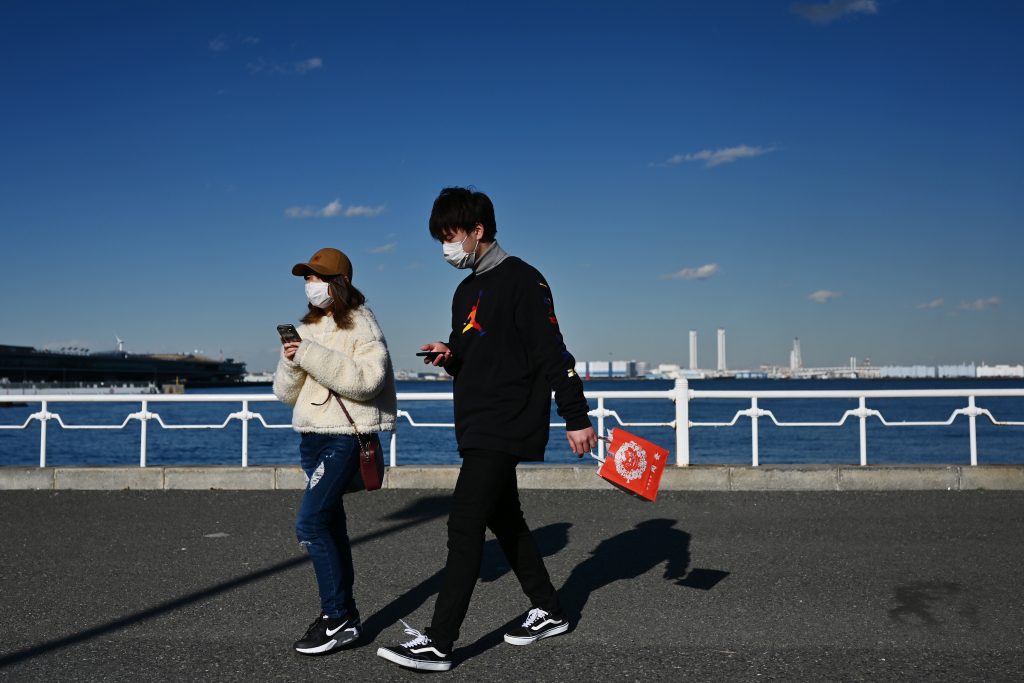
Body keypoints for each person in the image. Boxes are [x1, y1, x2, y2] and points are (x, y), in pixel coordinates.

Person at [377, 187, 598, 671]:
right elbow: (481, 357)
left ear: (478, 231)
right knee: (506, 519)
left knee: (464, 522)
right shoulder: (464, 291)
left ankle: (440, 642)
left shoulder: (523, 280)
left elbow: (551, 352)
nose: (445, 248)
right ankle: (551, 609)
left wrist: (576, 416)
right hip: (476, 421)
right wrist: (451, 356)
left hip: (508, 419)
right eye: (439, 238)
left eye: (450, 236)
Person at [273, 247, 397, 655]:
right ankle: (345, 616)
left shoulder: (362, 323)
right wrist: (293, 360)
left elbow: (368, 381)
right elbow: (285, 394)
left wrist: (308, 354)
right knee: (329, 526)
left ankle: (337, 618)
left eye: (317, 277)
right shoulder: (306, 327)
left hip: (346, 437)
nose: (310, 285)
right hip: (311, 437)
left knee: (310, 525)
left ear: (338, 282)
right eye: (306, 278)